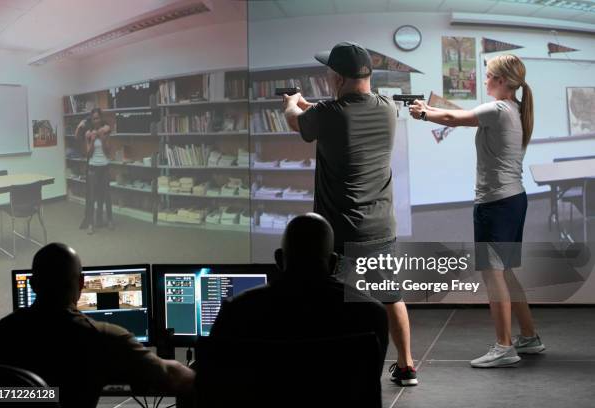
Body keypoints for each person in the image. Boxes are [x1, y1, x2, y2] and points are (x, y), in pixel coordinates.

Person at [282, 41, 417, 386]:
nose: (327, 77)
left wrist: (291, 104)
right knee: (391, 297)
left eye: (329, 72)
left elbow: (298, 122)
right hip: (379, 226)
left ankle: (333, 369)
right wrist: (310, 106)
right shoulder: (387, 108)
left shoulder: (328, 114)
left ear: (338, 78)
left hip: (338, 230)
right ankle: (407, 366)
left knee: (328, 302)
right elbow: (331, 113)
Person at [408, 54, 545, 368]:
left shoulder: (498, 109)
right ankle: (529, 337)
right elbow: (462, 115)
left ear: (500, 80)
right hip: (513, 200)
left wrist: (423, 114)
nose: (484, 82)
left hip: (495, 205)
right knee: (506, 272)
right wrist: (430, 110)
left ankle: (504, 346)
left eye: (487, 77)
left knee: (493, 274)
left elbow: (455, 119)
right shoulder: (515, 109)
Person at [0, 243, 194, 407]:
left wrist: (47, 395)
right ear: (82, 284)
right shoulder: (104, 338)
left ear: (33, 284)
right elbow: (172, 377)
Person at [210, 213, 389, 372]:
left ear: (279, 259)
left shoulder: (237, 310)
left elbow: (214, 377)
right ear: (334, 264)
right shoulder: (371, 313)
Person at [84, 108, 114, 234]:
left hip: (105, 167)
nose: (96, 120)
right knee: (92, 197)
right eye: (94, 118)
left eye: (98, 118)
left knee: (107, 195)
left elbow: (108, 152)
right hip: (93, 168)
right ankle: (91, 224)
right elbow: (88, 154)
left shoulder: (105, 132)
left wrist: (102, 138)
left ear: (101, 118)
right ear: (91, 120)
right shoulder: (88, 134)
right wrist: (91, 140)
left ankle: (110, 220)